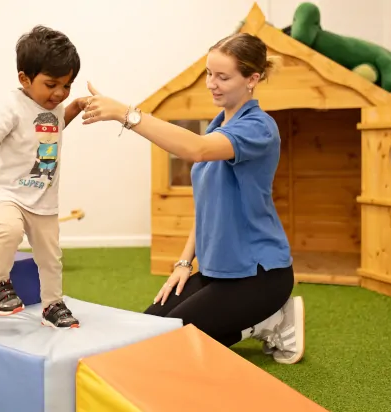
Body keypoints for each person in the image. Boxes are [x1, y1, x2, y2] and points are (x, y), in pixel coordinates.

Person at [81, 32, 305, 364]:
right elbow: (206, 207)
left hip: (260, 276)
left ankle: (270, 316)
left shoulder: (258, 128)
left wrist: (127, 114)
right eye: (209, 74)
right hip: (218, 271)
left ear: (252, 79)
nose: (212, 84)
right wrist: (184, 264)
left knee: (164, 346)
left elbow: (195, 150)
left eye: (223, 77)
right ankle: (260, 324)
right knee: (144, 332)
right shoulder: (217, 126)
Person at [0, 25, 90, 328]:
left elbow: (55, 126)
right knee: (8, 231)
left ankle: (52, 304)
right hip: (8, 192)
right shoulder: (12, 106)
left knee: (51, 257)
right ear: (25, 78)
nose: (59, 93)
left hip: (44, 198)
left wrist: (74, 107)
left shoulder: (55, 106)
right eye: (51, 84)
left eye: (67, 85)